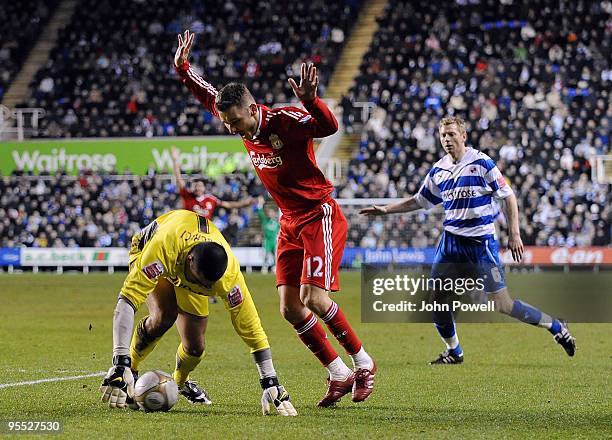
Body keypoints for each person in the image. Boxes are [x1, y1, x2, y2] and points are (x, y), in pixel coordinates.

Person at [174, 30, 376, 407]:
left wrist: (313, 102)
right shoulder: (236, 117)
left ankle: (363, 363)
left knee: (313, 298)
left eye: (236, 122)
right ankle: (338, 373)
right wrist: (184, 69)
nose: (232, 129)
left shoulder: (286, 120)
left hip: (318, 215)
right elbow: (208, 96)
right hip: (289, 221)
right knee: (289, 306)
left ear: (253, 109)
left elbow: (328, 128)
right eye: (227, 124)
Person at [360, 116, 576, 364]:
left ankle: (555, 326)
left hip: (480, 246)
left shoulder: (482, 163)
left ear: (463, 136)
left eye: (451, 134)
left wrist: (514, 233)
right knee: (437, 301)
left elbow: (508, 196)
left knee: (502, 305)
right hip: (450, 243)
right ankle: (454, 351)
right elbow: (419, 201)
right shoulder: (439, 170)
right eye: (443, 135)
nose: (447, 139)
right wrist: (387, 210)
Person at [99, 209, 297, 416]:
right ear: (191, 260)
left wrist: (270, 380)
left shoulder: (229, 278)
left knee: (195, 348)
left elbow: (252, 329)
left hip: (186, 265)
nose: (200, 287)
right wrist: (120, 361)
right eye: (197, 281)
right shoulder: (163, 248)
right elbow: (127, 300)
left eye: (206, 287)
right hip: (149, 249)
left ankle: (180, 383)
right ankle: (131, 370)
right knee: (164, 316)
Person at [171, 146, 254, 219]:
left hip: (204, 233)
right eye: (196, 186)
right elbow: (179, 179)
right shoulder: (188, 196)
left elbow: (228, 205)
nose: (198, 188)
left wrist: (244, 204)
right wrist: (175, 161)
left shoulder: (210, 199)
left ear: (204, 188)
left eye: (200, 186)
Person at [257, 196, 280, 273]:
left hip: (274, 240)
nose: (270, 214)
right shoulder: (265, 220)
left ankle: (274, 267)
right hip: (267, 240)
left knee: (275, 255)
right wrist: (260, 204)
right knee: (266, 255)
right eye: (269, 212)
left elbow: (280, 230)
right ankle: (265, 267)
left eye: (272, 212)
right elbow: (260, 212)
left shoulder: (276, 222)